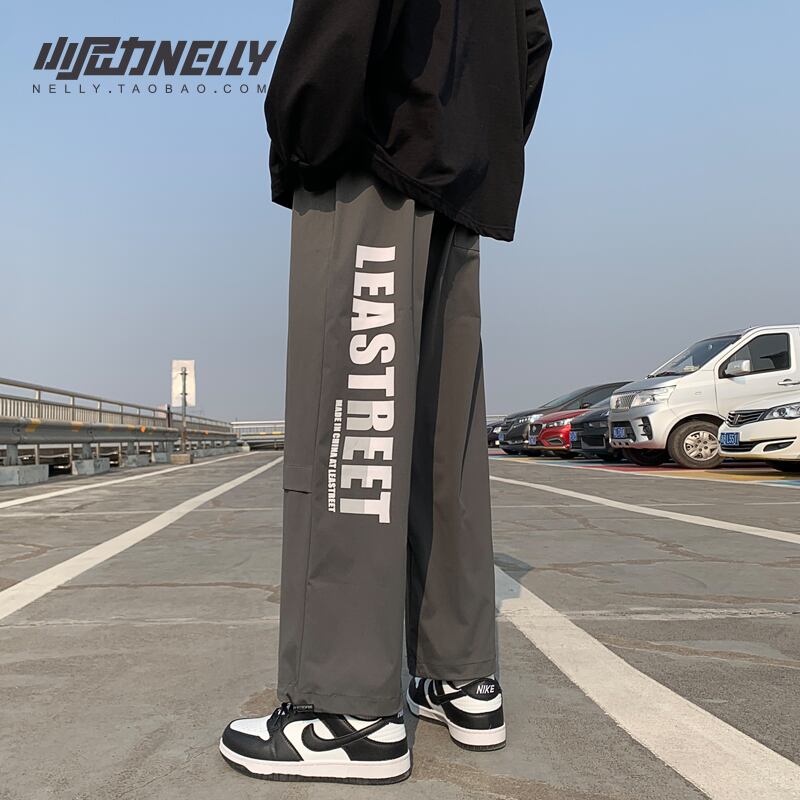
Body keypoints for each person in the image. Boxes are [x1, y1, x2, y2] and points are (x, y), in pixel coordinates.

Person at [219, 0, 551, 785]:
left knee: (352, 429)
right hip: (457, 177)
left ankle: (347, 712)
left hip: (374, 159)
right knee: (444, 442)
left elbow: (340, 22)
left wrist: (299, 138)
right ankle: (461, 677)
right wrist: (476, 143)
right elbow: (532, 38)